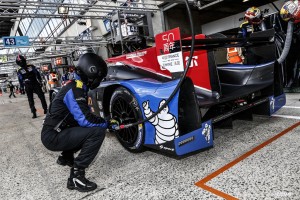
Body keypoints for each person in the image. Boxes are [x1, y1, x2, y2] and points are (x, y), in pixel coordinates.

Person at [41, 53, 118, 192]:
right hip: (52, 136)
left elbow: (79, 118)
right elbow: (86, 120)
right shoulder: (75, 90)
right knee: (96, 132)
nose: (99, 81)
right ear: (91, 71)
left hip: (55, 132)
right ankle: (76, 177)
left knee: (84, 127)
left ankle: (66, 157)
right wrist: (106, 123)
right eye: (99, 77)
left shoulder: (77, 86)